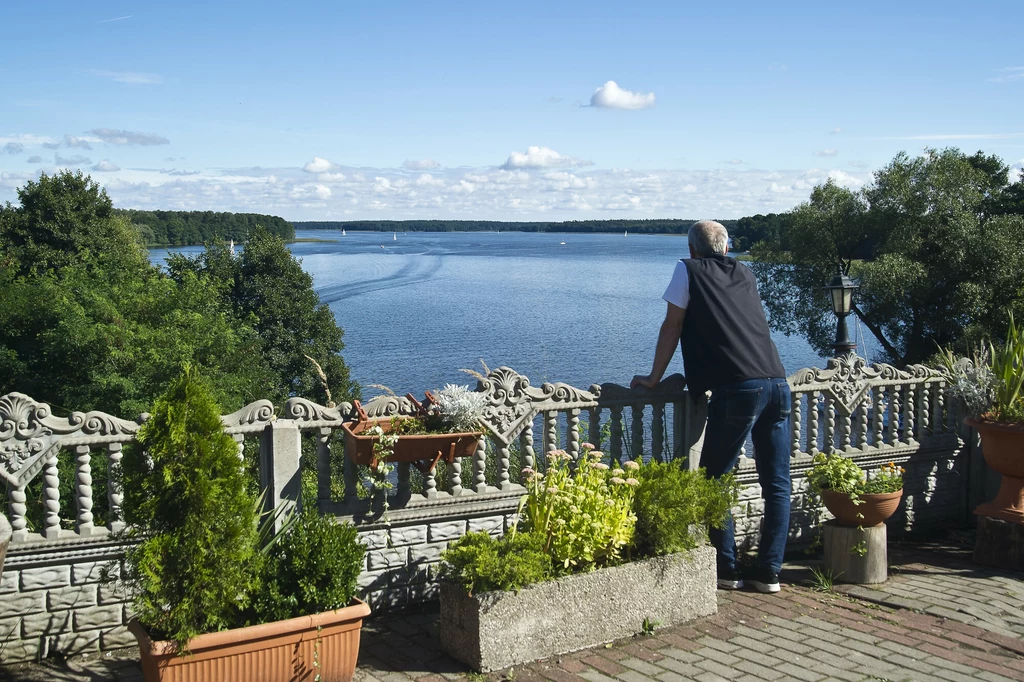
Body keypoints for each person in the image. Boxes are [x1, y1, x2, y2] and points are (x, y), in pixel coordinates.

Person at [631, 220, 791, 594]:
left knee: (715, 480)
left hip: (738, 387)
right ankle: (770, 573)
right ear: (727, 245)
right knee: (777, 484)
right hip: (777, 382)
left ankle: (727, 569)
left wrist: (654, 378)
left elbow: (672, 326)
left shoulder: (687, 269)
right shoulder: (744, 271)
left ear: (692, 249)